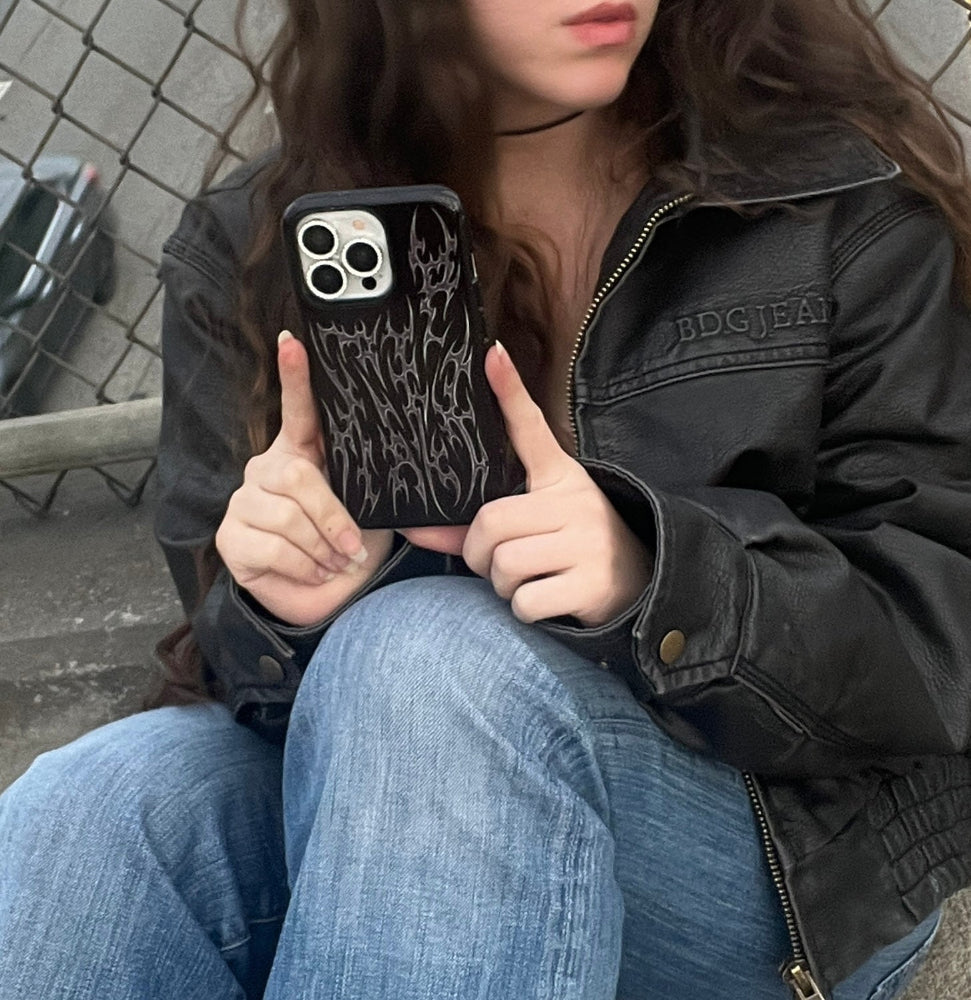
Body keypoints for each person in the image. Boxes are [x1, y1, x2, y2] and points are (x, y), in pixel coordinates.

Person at [2, 0, 971, 997]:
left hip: (780, 851)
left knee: (429, 656)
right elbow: (237, 664)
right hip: (417, 801)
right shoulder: (252, 247)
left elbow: (939, 631)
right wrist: (276, 611)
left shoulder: (832, 195)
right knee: (94, 803)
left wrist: (656, 573)